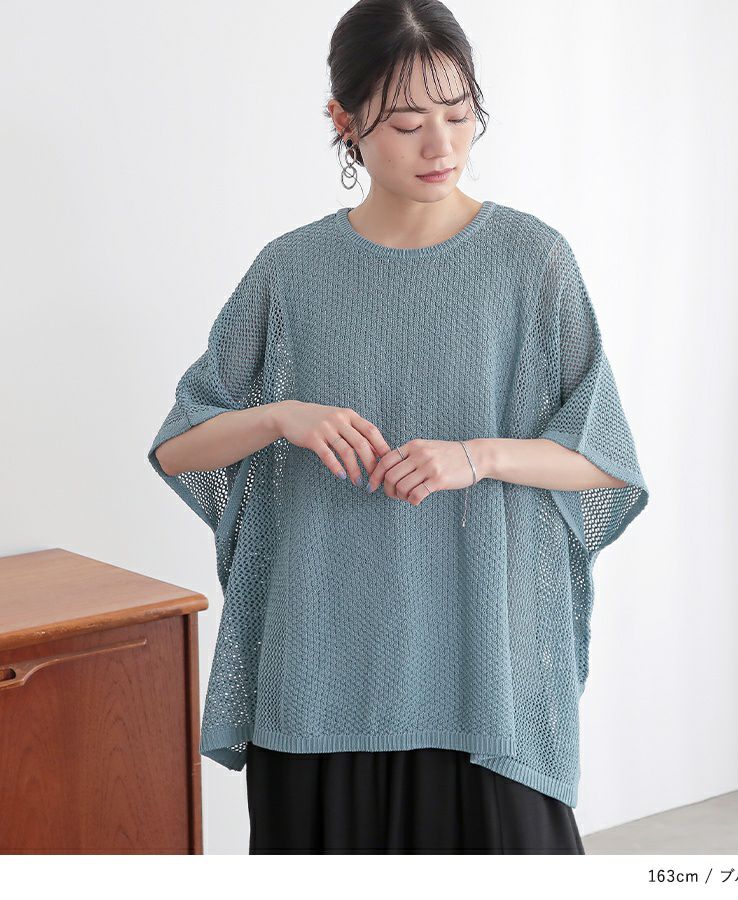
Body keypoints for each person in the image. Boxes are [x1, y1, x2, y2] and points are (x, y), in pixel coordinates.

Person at [148, 0, 649, 854]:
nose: (441, 146)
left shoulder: (532, 261)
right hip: (320, 669)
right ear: (342, 121)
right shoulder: (291, 269)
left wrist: (476, 456)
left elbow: (604, 460)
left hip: (483, 675)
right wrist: (280, 416)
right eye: (408, 123)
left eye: (459, 114)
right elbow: (179, 447)